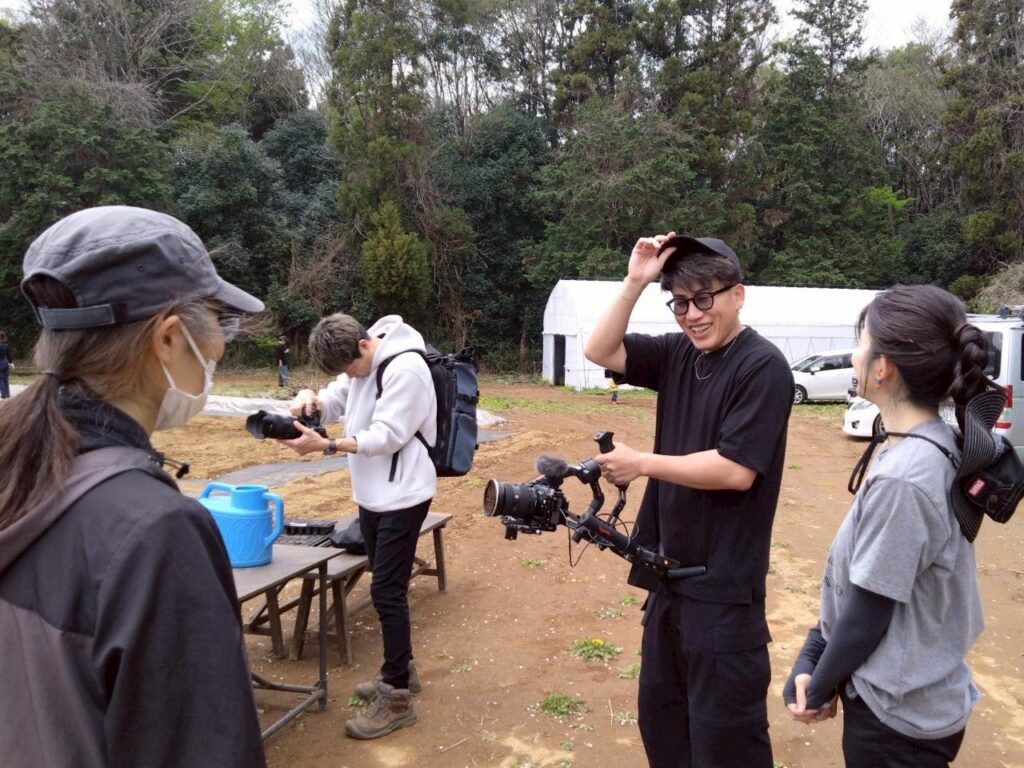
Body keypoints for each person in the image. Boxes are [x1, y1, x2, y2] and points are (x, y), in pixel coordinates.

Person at [0, 206, 267, 768]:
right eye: (217, 321)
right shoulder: (153, 530)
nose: (220, 346)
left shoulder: (19, 465)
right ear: (168, 338)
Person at [585, 232, 794, 768]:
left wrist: (643, 463)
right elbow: (599, 350)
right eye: (680, 303)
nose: (693, 315)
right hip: (667, 580)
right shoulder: (677, 353)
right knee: (664, 729)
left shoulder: (762, 366)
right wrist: (635, 281)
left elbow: (736, 470)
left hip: (723, 593)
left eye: (704, 299)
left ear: (737, 295)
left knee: (726, 745)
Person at [784, 285, 995, 767]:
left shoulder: (906, 477)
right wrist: (815, 651)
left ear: (882, 368)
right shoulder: (924, 442)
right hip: (911, 697)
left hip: (897, 722)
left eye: (860, 345)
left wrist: (818, 686)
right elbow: (865, 585)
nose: (853, 357)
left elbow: (868, 611)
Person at [280, 312, 436, 740]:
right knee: (384, 586)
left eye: (351, 366)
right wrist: (310, 399)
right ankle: (402, 668)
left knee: (387, 591)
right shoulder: (362, 361)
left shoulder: (406, 368)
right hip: (371, 494)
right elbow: (338, 396)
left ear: (364, 345)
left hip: (404, 494)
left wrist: (327, 444)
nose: (351, 375)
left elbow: (387, 436)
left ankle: (397, 697)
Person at [0, 330, 12, 399]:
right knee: (5, 379)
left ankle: (3, 394)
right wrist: (11, 362)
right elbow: (9, 355)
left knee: (0, 379)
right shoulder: (6, 345)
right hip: (6, 362)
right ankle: (8, 394)